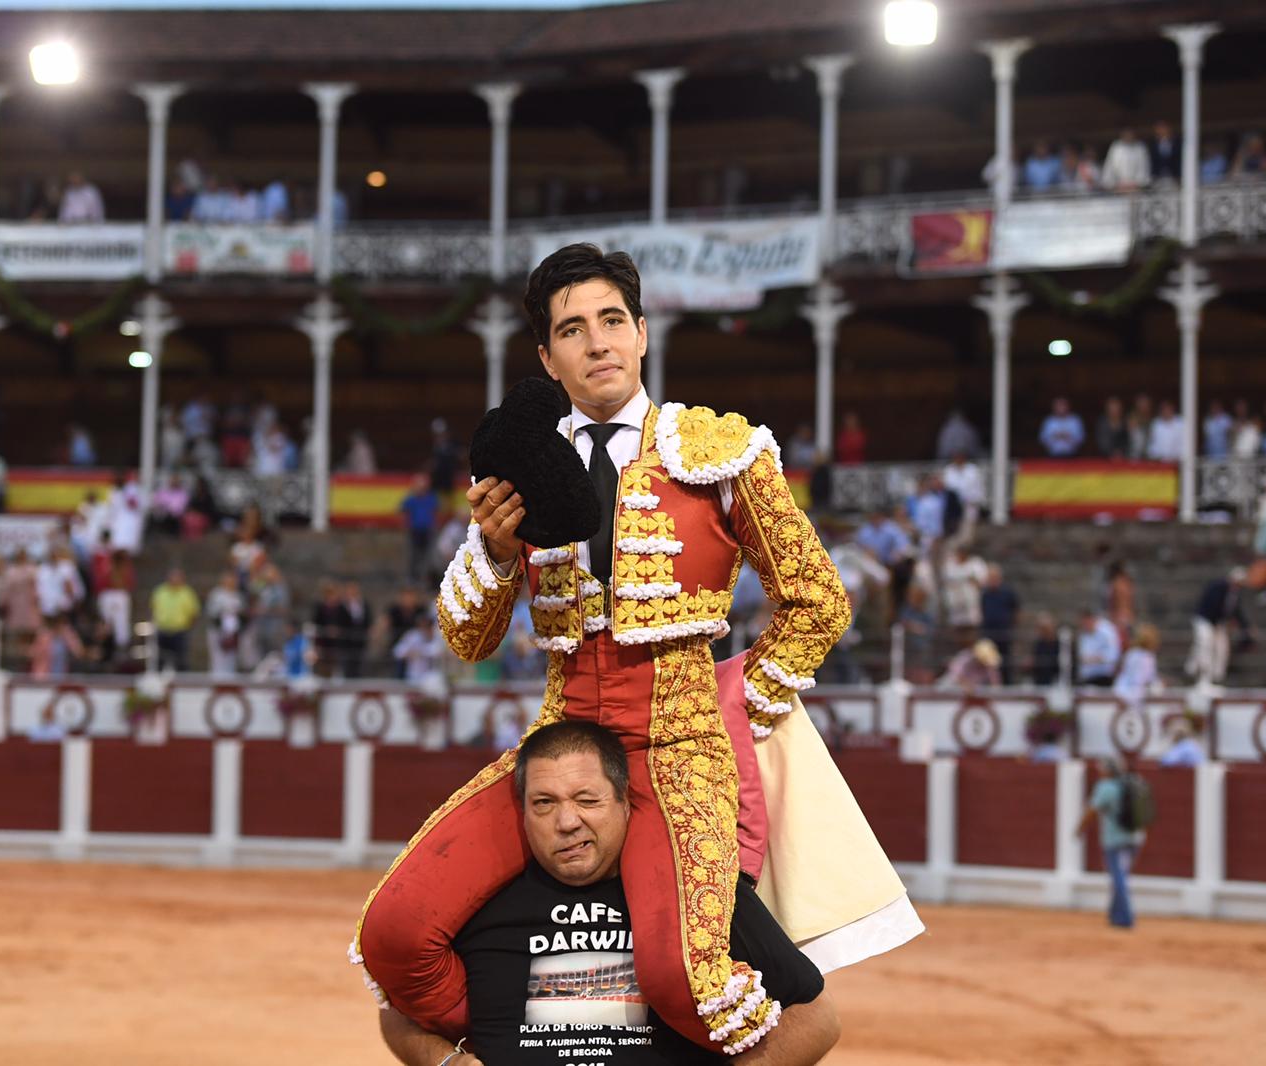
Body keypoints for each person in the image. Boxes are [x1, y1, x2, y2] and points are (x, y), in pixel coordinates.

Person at [355, 243, 914, 1056]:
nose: (598, 342)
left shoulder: (720, 451)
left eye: (612, 320)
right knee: (397, 932)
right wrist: (496, 550)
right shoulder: (520, 470)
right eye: (573, 330)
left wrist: (739, 701)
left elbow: (817, 599)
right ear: (549, 358)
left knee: (682, 977)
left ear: (643, 332)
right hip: (563, 745)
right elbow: (465, 637)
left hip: (682, 750)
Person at [378, 721, 841, 1066]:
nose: (567, 822)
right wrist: (446, 1062)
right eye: (544, 803)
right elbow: (398, 1010)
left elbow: (817, 1018)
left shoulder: (693, 890)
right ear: (521, 812)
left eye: (587, 800)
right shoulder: (480, 898)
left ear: (624, 802)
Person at [1077, 755, 1144, 929]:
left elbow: (1092, 810)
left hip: (1115, 840)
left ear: (1107, 771)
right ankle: (1115, 916)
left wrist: (1080, 829)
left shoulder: (1106, 787)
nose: (1100, 772)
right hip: (1135, 838)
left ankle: (1126, 918)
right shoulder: (1132, 782)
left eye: (1102, 769)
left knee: (1118, 877)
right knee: (1120, 876)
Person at [1187, 568, 1248, 684]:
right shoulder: (1218, 587)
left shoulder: (1235, 594)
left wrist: (1245, 626)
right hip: (1205, 620)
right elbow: (1213, 605)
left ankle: (1217, 676)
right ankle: (1200, 673)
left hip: (1218, 623)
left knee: (1222, 648)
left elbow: (1237, 612)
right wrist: (1224, 620)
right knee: (1205, 643)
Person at [151, 567, 201, 672]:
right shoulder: (160, 591)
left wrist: (187, 627)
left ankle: (182, 683)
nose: (175, 579)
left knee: (181, 660)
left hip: (180, 631)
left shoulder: (187, 593)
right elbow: (153, 607)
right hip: (163, 630)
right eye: (173, 577)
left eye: (178, 577)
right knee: (161, 659)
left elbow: (194, 612)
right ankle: (159, 683)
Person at [979, 564, 1020, 684]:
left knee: (1004, 659)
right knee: (987, 659)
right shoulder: (985, 594)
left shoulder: (1008, 593)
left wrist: (1012, 626)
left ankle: (1006, 682)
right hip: (989, 632)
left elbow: (1016, 610)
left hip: (1004, 631)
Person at [205, 571, 247, 678]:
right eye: (228, 580)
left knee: (231, 657)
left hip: (233, 631)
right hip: (218, 629)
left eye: (233, 581)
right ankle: (217, 679)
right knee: (218, 657)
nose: (231, 582)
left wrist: (237, 615)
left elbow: (243, 612)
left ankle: (230, 679)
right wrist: (223, 613)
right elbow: (211, 611)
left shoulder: (238, 596)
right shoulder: (217, 594)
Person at [1113, 625, 1162, 710]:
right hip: (1132, 692)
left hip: (1123, 689)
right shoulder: (1146, 657)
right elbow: (1145, 678)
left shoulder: (1132, 653)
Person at [1077, 607, 1122, 687]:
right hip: (1087, 677)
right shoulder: (1083, 634)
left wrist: (1095, 659)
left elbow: (1113, 655)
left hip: (1103, 677)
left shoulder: (1107, 632)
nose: (1084, 625)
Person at [1101, 127, 1151, 191]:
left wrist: (1137, 183)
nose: (1128, 136)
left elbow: (1144, 167)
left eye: (1130, 134)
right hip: (1118, 187)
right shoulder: (1116, 147)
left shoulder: (1140, 147)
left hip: (1137, 188)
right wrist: (1114, 184)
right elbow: (1109, 166)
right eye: (1126, 134)